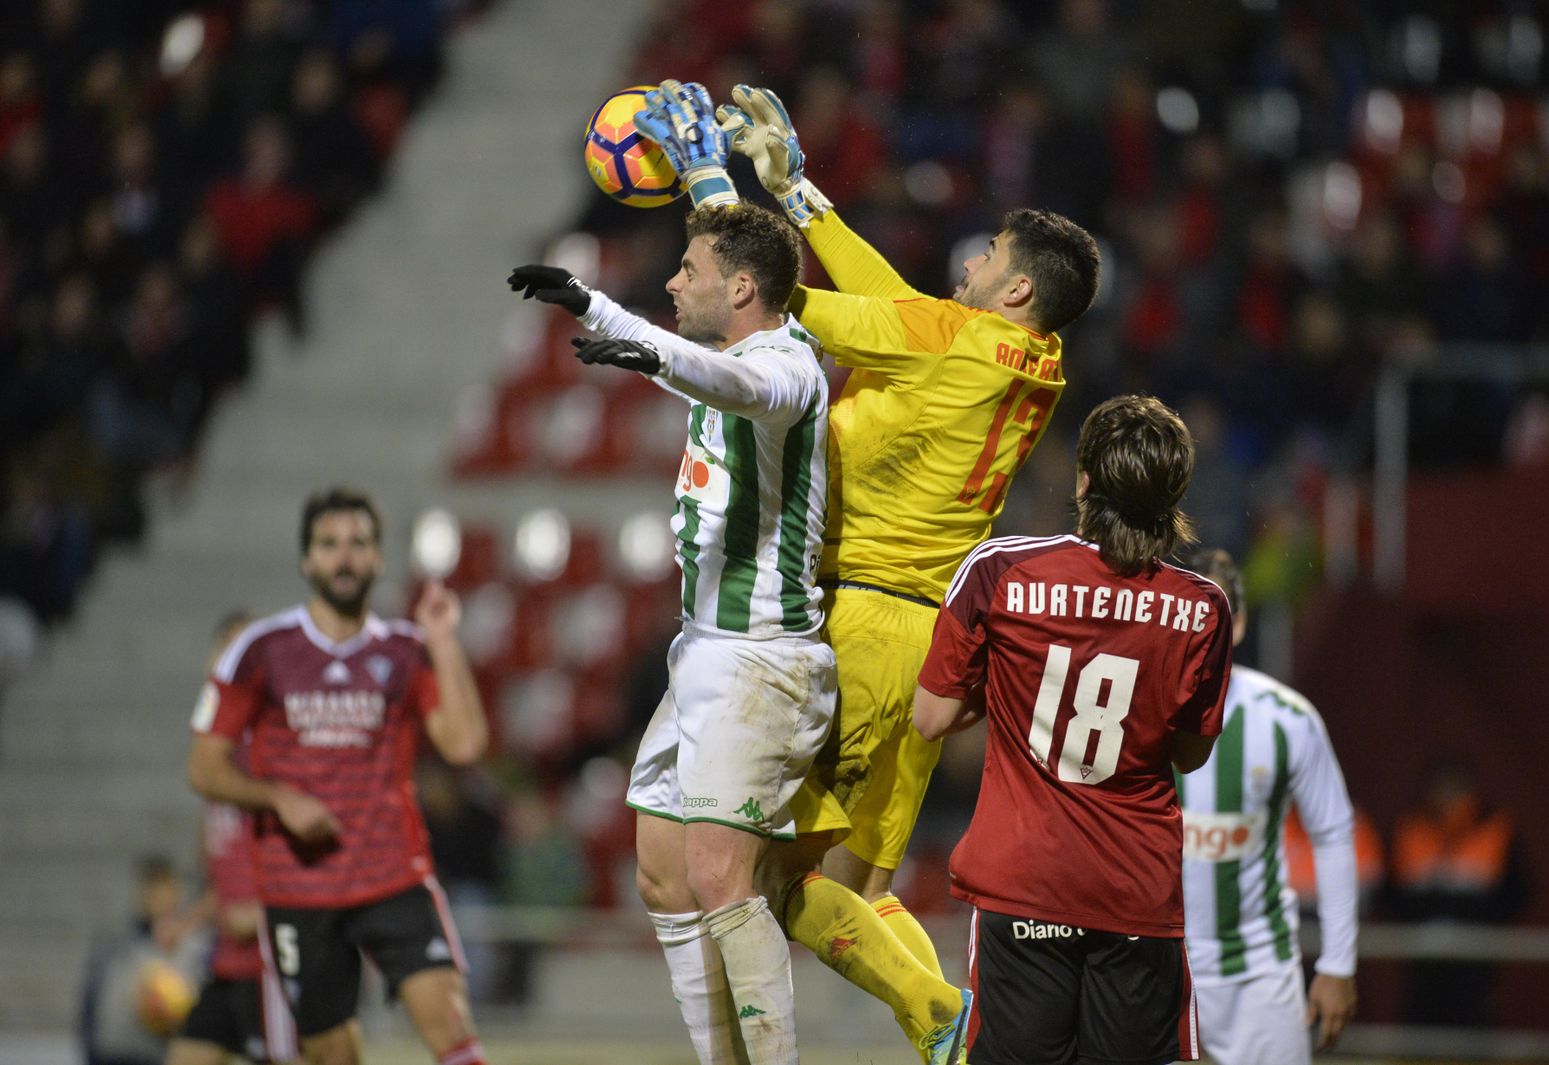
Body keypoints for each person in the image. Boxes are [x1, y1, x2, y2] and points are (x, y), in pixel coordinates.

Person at [706, 82, 1102, 1063]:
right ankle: (968, 1043)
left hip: (861, 632)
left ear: (1015, 289)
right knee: (869, 889)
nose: (967, 262)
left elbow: (796, 306)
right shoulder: (1025, 356)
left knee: (768, 881)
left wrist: (719, 206)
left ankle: (942, 1018)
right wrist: (796, 192)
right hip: (931, 640)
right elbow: (900, 308)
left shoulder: (951, 343)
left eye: (988, 255)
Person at [507, 88, 834, 1065]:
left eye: (689, 271)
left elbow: (723, 380)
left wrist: (640, 345)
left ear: (741, 291)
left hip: (761, 659)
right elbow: (700, 335)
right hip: (701, 653)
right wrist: (586, 301)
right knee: (662, 875)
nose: (672, 278)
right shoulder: (730, 335)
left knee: (719, 876)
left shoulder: (785, 369)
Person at [914, 394, 1233, 1065]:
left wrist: (1013, 690)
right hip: (1136, 891)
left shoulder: (1000, 569)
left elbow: (931, 716)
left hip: (1023, 880)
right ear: (1172, 495)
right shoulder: (1204, 608)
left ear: (1084, 480)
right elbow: (1192, 753)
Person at [186, 488, 490, 1065]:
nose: (344, 557)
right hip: (299, 889)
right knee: (332, 1054)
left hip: (393, 875)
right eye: (329, 545)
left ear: (378, 559)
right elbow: (203, 768)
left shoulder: (406, 649)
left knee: (452, 1027)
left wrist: (443, 640)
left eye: (358, 543)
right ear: (307, 560)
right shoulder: (260, 650)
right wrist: (279, 798)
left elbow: (465, 744)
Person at [1179, 548, 1359, 1065]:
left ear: (1239, 625)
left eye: (1216, 616)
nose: (1202, 632)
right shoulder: (1130, 709)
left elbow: (1333, 833)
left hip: (1258, 972)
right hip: (1151, 964)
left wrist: (1338, 964)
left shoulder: (1287, 719)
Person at [169, 612, 299, 1065]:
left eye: (246, 648)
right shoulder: (215, 759)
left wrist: (264, 913)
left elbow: (313, 857)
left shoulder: (271, 750)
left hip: (270, 963)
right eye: (225, 646)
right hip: (228, 961)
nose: (232, 659)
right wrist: (189, 921)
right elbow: (226, 875)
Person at [1389, 758, 1528, 1026]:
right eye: (1440, 787)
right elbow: (1392, 890)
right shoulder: (1410, 827)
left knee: (1471, 1027)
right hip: (1421, 957)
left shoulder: (1495, 828)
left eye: (1455, 788)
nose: (1447, 796)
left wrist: (1484, 923)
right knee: (1421, 1029)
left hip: (1477, 957)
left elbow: (1517, 891)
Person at [80, 856, 210, 1065]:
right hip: (111, 1052)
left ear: (176, 891)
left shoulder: (195, 943)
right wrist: (89, 1044)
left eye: (163, 889)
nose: (156, 897)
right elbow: (91, 997)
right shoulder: (115, 938)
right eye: (150, 889)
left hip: (157, 1053)